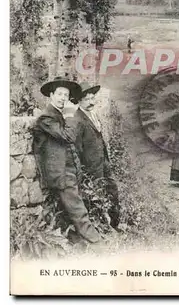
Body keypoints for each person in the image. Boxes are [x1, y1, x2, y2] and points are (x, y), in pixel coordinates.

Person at [32, 77, 101, 244]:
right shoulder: (46, 118)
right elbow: (67, 136)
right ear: (51, 95)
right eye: (60, 94)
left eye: (66, 94)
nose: (63, 98)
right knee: (77, 208)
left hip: (68, 169)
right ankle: (97, 241)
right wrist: (71, 113)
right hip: (59, 172)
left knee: (70, 207)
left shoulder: (59, 115)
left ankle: (75, 238)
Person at [67, 82, 121, 231]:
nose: (92, 102)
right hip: (91, 168)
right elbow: (76, 149)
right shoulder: (77, 120)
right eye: (87, 99)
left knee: (112, 190)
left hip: (103, 162)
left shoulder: (93, 115)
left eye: (92, 98)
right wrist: (82, 171)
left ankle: (115, 224)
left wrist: (105, 159)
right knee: (95, 196)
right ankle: (100, 227)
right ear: (79, 100)